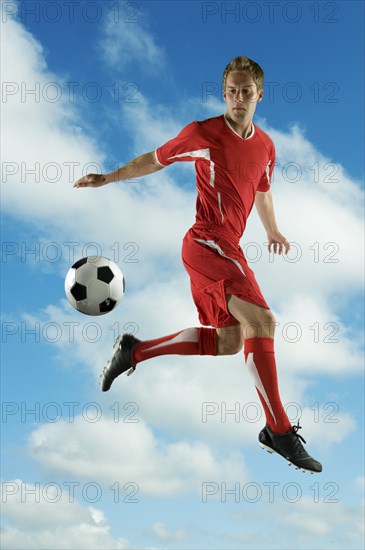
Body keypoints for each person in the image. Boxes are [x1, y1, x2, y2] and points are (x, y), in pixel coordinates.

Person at [74, 56, 322, 473]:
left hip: (230, 247)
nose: (238, 98)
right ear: (223, 93)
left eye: (246, 92)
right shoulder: (202, 133)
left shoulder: (266, 147)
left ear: (259, 95)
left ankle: (135, 351)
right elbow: (156, 158)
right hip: (206, 241)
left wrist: (273, 230)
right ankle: (278, 430)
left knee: (229, 342)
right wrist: (109, 178)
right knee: (262, 322)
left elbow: (261, 189)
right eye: (231, 91)